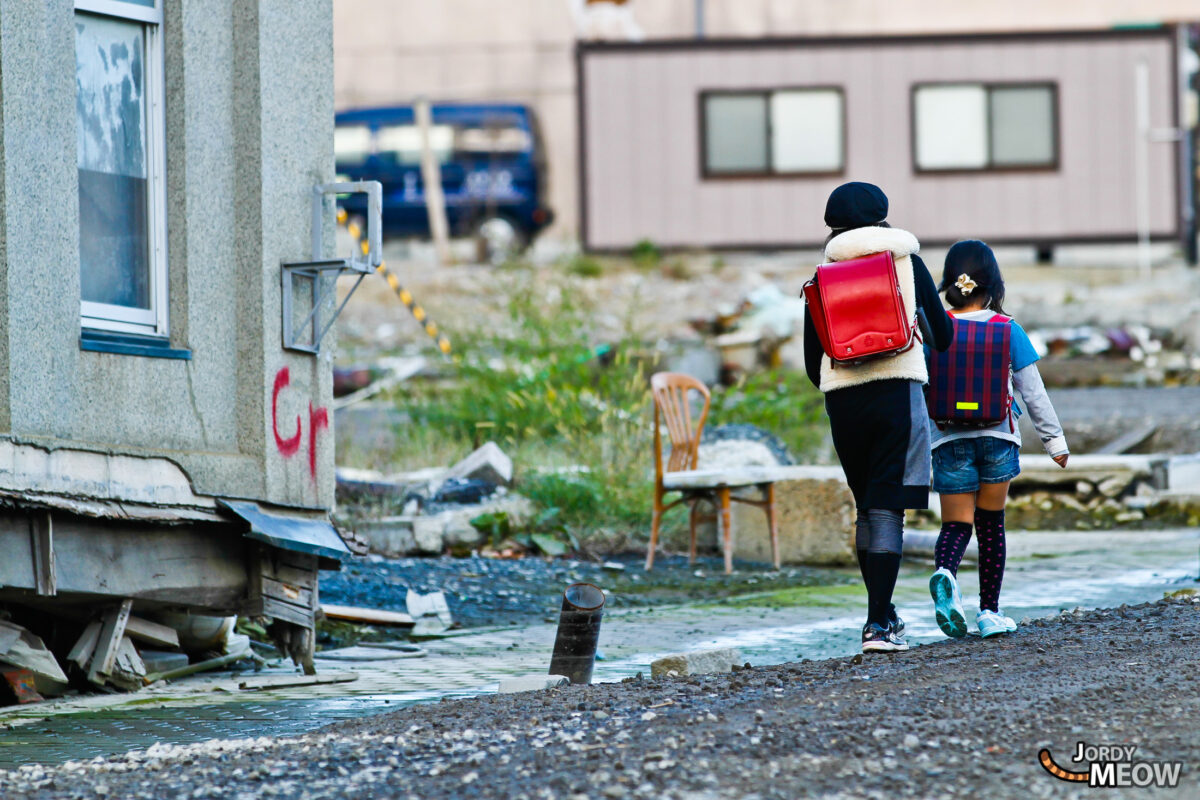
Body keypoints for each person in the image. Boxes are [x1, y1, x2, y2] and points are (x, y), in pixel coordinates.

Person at [803, 182, 953, 653]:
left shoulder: (824, 272)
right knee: (888, 505)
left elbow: (813, 361)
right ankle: (878, 628)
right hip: (897, 392)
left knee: (866, 506)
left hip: (844, 401)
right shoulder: (907, 262)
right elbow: (943, 335)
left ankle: (883, 613)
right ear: (882, 216)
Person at [926, 240, 1069, 639]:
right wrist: (1054, 442)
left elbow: (918, 390)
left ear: (948, 284)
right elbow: (1033, 391)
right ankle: (989, 612)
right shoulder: (1009, 329)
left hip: (947, 438)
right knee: (990, 525)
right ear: (994, 285)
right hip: (998, 436)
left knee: (956, 523)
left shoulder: (933, 329)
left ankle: (945, 572)